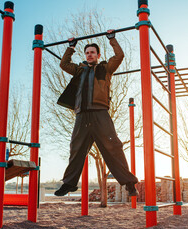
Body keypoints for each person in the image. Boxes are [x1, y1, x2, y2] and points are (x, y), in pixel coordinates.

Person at [54, 29, 138, 197]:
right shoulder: (79, 70)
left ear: (98, 55)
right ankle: (69, 184)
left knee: (113, 146)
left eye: (92, 52)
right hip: (82, 115)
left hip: (100, 113)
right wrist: (71, 47)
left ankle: (129, 183)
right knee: (76, 148)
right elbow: (63, 64)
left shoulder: (105, 68)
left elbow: (119, 56)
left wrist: (112, 39)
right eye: (87, 53)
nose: (89, 55)